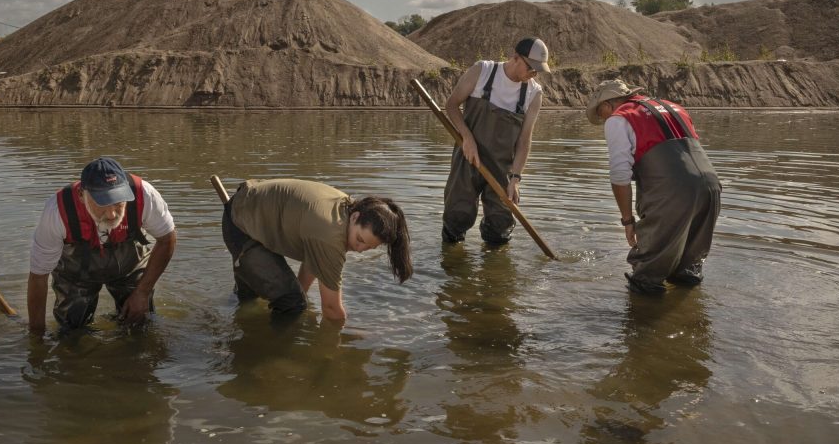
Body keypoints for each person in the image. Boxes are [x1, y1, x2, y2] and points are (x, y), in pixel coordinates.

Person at [585, 79, 721, 294]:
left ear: (608, 104)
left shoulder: (619, 118)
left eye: (600, 113)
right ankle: (689, 315)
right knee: (688, 270)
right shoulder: (674, 107)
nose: (603, 120)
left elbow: (620, 175)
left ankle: (643, 323)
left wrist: (628, 221)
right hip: (711, 189)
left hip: (673, 192)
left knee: (647, 278)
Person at [221, 178, 412, 322]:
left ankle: (241, 321)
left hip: (250, 208)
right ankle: (271, 355)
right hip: (241, 226)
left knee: (251, 301)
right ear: (355, 218)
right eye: (360, 240)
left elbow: (315, 256)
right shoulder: (331, 234)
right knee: (293, 302)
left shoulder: (347, 210)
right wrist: (347, 339)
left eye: (369, 247)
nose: (360, 249)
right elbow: (331, 309)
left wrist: (300, 291)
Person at [27, 156, 177, 334]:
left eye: (118, 202)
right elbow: (38, 276)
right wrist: (37, 336)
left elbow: (167, 239)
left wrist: (142, 292)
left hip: (129, 263)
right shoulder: (57, 211)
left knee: (140, 326)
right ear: (82, 195)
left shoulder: (145, 194)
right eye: (102, 203)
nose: (113, 214)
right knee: (71, 330)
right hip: (76, 271)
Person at [442, 36, 549, 244]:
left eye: (538, 70)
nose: (533, 74)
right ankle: (454, 265)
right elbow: (451, 105)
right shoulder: (482, 71)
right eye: (531, 68)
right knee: (457, 218)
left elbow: (524, 141)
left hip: (502, 168)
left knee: (500, 227)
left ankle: (495, 269)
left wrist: (516, 178)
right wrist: (467, 137)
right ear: (516, 57)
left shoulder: (533, 93)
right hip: (468, 159)